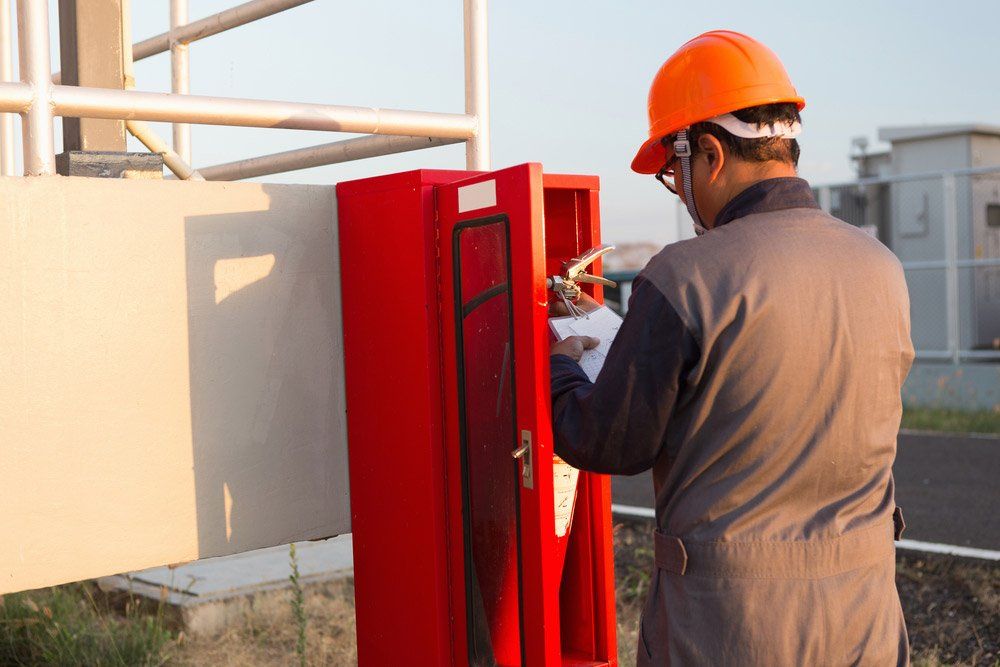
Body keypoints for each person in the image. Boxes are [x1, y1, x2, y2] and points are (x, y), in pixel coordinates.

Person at [550, 30, 914, 666]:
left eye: (673, 172)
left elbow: (607, 440)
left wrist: (560, 364)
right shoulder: (881, 265)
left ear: (709, 154)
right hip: (865, 621)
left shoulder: (685, 275)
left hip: (728, 630)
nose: (680, 190)